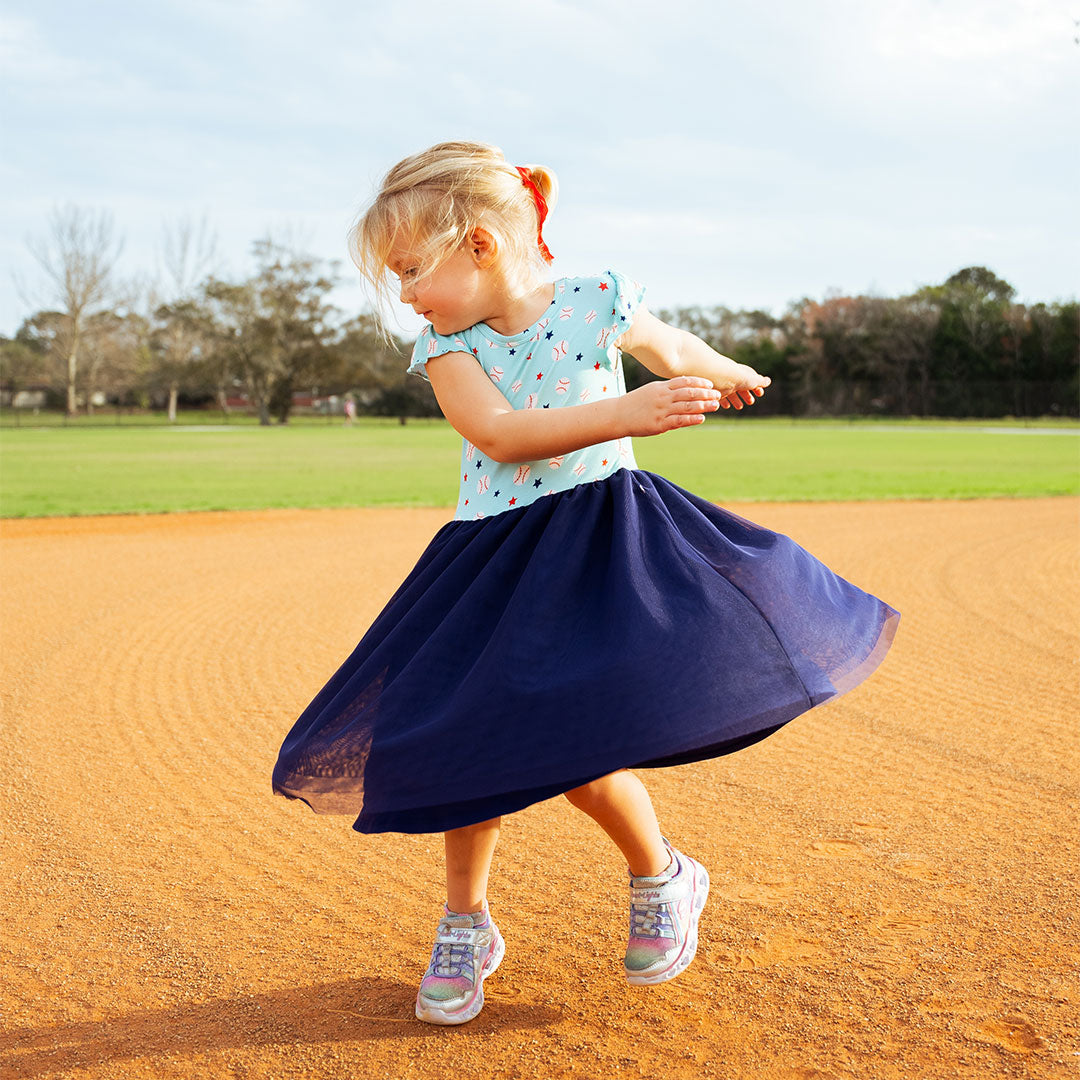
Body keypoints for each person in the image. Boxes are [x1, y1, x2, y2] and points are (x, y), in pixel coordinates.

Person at [272, 141, 899, 1026]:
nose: (406, 293)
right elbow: (498, 433)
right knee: (464, 742)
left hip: (601, 542)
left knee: (583, 746)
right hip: (493, 557)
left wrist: (720, 371)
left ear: (481, 246)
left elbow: (666, 343)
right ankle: (466, 922)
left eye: (412, 270)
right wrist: (627, 412)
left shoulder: (596, 295)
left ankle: (663, 876)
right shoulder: (444, 344)